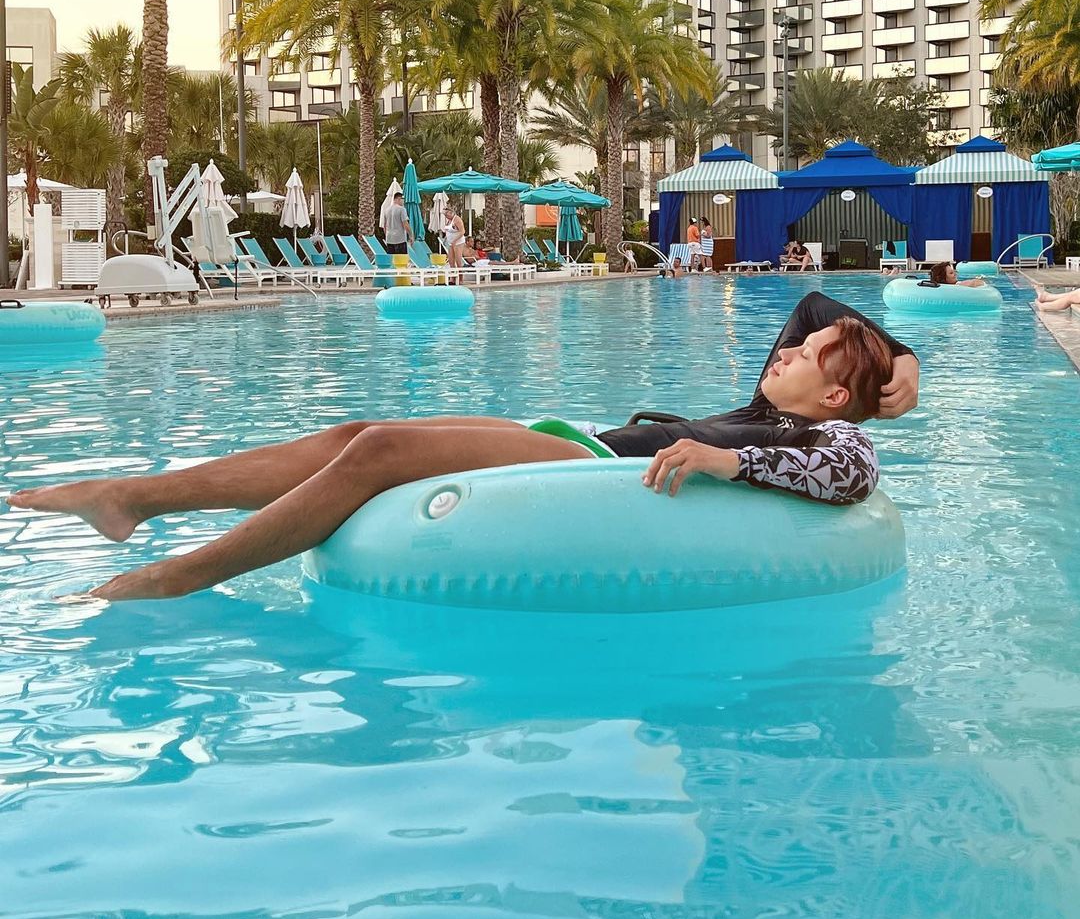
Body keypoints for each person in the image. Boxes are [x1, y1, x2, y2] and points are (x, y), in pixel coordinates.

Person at [7, 292, 919, 602]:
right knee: (359, 435)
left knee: (381, 451)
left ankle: (174, 577)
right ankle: (135, 497)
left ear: (836, 395)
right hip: (577, 445)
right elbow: (815, 308)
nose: (785, 348)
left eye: (807, 355)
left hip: (594, 475)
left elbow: (852, 469)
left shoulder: (820, 431)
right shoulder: (781, 395)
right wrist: (900, 354)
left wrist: (728, 460)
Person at [383, 192, 413, 257]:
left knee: (391, 261)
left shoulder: (386, 210)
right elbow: (405, 224)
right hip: (400, 240)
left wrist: (387, 236)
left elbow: (384, 226)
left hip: (389, 239)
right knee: (401, 260)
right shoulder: (402, 209)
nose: (403, 201)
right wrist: (411, 236)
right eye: (403, 199)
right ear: (399, 199)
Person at [443, 205, 466, 269]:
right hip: (450, 242)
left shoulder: (457, 220)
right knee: (451, 261)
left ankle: (460, 275)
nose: (446, 216)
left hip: (458, 242)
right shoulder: (448, 220)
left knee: (458, 261)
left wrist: (455, 240)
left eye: (446, 215)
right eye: (445, 215)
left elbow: (462, 231)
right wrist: (445, 238)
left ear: (451, 213)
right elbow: (448, 231)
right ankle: (453, 274)